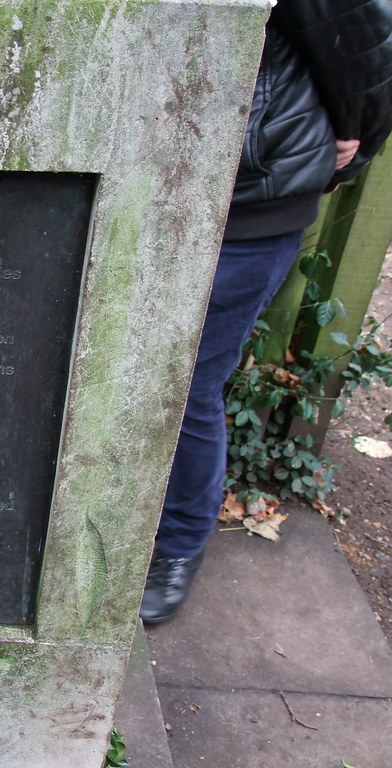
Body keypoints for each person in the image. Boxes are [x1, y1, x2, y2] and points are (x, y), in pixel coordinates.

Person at [140, 0, 392, 624]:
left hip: (244, 208)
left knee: (187, 384)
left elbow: (372, 47)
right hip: (133, 183)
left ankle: (176, 546)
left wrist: (343, 151)